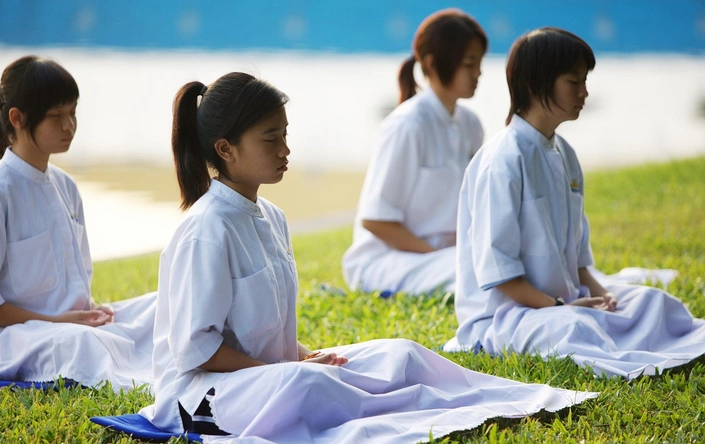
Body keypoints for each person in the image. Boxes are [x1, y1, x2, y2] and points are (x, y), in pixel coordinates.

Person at [138, 72, 596, 441]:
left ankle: (499, 401)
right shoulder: (205, 231)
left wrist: (303, 353)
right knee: (312, 384)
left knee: (400, 353)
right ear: (225, 149)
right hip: (200, 397)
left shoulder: (271, 217)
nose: (285, 150)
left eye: (285, 135)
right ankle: (418, 412)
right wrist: (289, 367)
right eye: (270, 139)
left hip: (271, 375)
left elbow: (263, 328)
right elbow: (197, 349)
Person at [447, 28, 705, 378]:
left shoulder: (564, 153)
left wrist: (605, 298)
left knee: (652, 303)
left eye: (584, 81)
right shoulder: (503, 160)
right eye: (574, 82)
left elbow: (580, 264)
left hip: (567, 301)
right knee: (574, 330)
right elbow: (501, 278)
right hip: (509, 315)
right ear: (536, 84)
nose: (584, 93)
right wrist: (562, 306)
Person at [0, 55, 156, 390]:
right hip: (5, 340)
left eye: (72, 112)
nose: (69, 125)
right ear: (17, 118)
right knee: (84, 344)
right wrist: (58, 321)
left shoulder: (66, 187)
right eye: (56, 116)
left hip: (66, 325)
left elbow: (74, 285)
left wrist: (90, 313)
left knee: (161, 307)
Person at [341, 9, 487, 296]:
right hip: (390, 260)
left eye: (479, 63)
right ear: (432, 64)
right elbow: (375, 219)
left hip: (445, 256)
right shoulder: (407, 125)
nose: (478, 72)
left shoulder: (470, 125)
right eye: (470, 63)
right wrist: (437, 253)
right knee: (480, 274)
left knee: (507, 264)